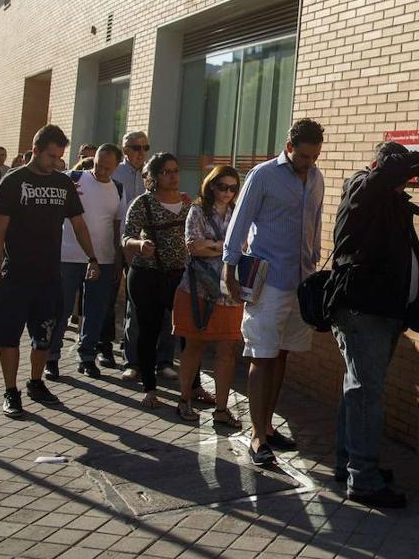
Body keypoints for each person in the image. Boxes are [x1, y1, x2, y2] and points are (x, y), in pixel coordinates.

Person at [330, 140, 419, 508]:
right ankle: (364, 480)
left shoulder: (386, 197)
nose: (410, 179)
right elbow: (387, 171)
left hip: (382, 313)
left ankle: (352, 464)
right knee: (365, 395)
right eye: (403, 172)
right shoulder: (363, 186)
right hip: (365, 312)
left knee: (357, 391)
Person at [0, 124, 100, 418]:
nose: (56, 162)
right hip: (14, 274)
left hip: (49, 276)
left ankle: (35, 382)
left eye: (59, 157)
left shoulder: (63, 183)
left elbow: (79, 225)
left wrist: (92, 257)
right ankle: (11, 390)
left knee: (43, 337)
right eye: (51, 156)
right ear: (36, 151)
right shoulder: (13, 181)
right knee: (9, 337)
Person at [223, 119, 326, 465]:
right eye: (305, 156)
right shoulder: (263, 175)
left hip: (300, 281)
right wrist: (229, 268)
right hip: (268, 281)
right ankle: (255, 437)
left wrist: (314, 263)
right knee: (261, 354)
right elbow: (239, 221)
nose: (309, 162)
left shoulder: (316, 178)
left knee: (282, 353)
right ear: (290, 146)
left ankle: (267, 426)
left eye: (315, 157)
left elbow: (316, 221)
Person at [47, 144, 127, 379]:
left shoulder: (118, 189)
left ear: (116, 166)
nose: (101, 171)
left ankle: (87, 357)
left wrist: (118, 261)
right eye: (98, 165)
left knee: (95, 311)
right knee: (61, 309)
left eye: (107, 167)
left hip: (103, 258)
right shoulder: (73, 179)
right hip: (68, 256)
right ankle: (51, 357)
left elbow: (117, 228)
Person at [174, 165, 244, 427]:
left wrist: (213, 245)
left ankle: (222, 408)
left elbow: (245, 245)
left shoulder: (238, 212)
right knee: (194, 345)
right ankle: (184, 399)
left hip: (230, 291)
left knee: (227, 350)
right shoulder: (198, 210)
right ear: (212, 185)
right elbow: (193, 246)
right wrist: (226, 247)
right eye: (223, 186)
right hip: (198, 290)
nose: (228, 192)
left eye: (233, 188)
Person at [121, 152, 190, 408]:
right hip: (147, 275)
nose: (173, 176)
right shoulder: (143, 203)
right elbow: (125, 237)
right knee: (148, 330)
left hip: (179, 275)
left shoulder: (187, 204)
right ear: (154, 176)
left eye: (176, 171)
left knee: (185, 330)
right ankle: (150, 388)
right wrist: (139, 244)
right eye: (167, 172)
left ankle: (191, 385)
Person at [115, 130, 176, 379]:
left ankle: (163, 361)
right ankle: (133, 361)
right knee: (136, 310)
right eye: (136, 147)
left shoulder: (177, 198)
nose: (141, 152)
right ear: (125, 150)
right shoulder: (117, 175)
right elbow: (124, 225)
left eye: (145, 147)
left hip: (167, 262)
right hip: (131, 249)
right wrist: (134, 248)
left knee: (165, 313)